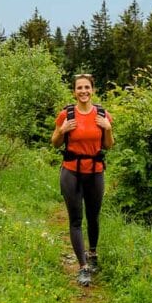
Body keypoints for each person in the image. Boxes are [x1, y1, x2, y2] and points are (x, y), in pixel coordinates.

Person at [52, 74, 114, 286]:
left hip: (95, 171)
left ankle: (93, 253)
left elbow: (108, 145)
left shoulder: (103, 114)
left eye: (87, 87)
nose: (83, 91)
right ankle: (83, 267)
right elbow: (55, 143)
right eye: (79, 88)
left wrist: (108, 128)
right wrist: (62, 130)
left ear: (92, 90)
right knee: (76, 220)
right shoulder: (66, 114)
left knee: (93, 216)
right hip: (71, 172)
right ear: (74, 91)